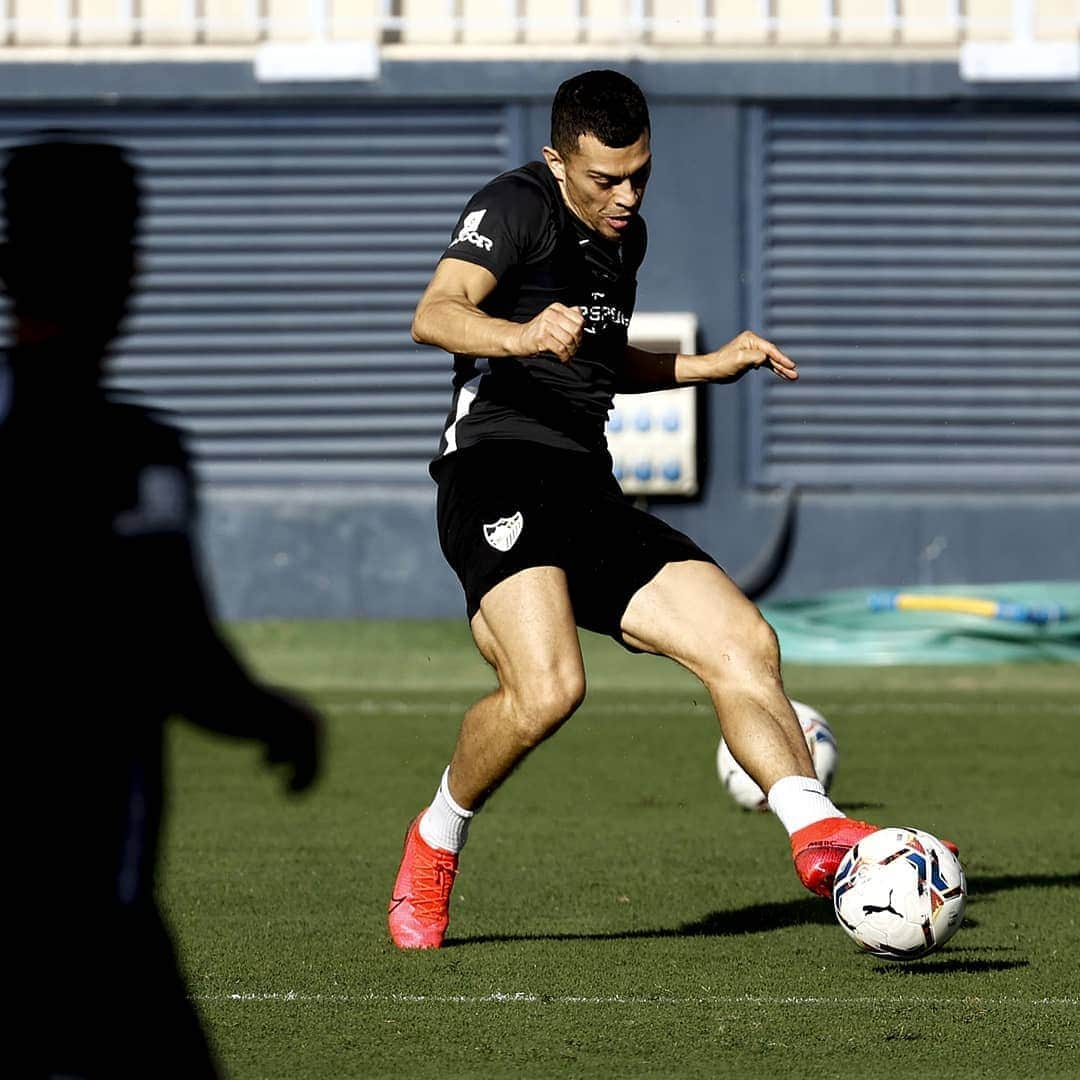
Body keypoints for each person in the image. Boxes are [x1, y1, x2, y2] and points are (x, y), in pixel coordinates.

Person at [388, 70, 877, 951]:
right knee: (548, 690)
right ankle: (434, 841)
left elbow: (604, 359)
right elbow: (436, 313)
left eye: (640, 174)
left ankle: (821, 838)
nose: (626, 195)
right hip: (494, 469)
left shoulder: (627, 236)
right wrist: (521, 333)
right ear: (557, 159)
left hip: (585, 483)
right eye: (605, 178)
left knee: (744, 642)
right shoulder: (515, 204)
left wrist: (704, 365)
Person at [2, 137, 323, 1076]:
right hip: (81, 907)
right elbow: (176, 654)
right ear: (131, 271)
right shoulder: (134, 455)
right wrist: (274, 718)